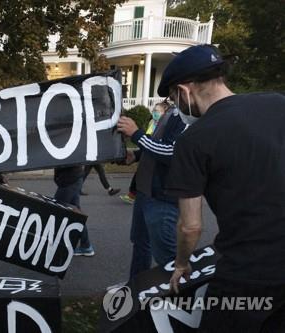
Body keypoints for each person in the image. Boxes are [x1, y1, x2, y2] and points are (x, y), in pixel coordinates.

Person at [161, 44, 285, 332]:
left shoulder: (193, 141)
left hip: (248, 274)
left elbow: (190, 226)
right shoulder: (278, 104)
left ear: (184, 91)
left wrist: (181, 264)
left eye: (172, 98)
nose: (175, 105)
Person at [117, 101, 186, 279]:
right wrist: (137, 155)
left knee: (166, 254)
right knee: (140, 243)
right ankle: (136, 290)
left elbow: (173, 153)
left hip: (163, 197)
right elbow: (157, 143)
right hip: (145, 191)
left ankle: (180, 300)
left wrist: (136, 134)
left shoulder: (188, 116)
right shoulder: (172, 111)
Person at [119, 103, 168, 205]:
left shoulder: (168, 124)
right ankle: (132, 195)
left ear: (165, 113)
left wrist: (136, 134)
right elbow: (149, 143)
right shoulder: (152, 123)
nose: (155, 113)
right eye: (154, 111)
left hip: (158, 191)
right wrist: (136, 155)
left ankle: (132, 195)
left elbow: (163, 149)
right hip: (145, 180)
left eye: (157, 111)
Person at [54, 165, 94, 256]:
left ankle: (50, 244)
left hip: (69, 180)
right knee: (76, 214)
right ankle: (86, 246)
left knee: (56, 211)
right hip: (75, 178)